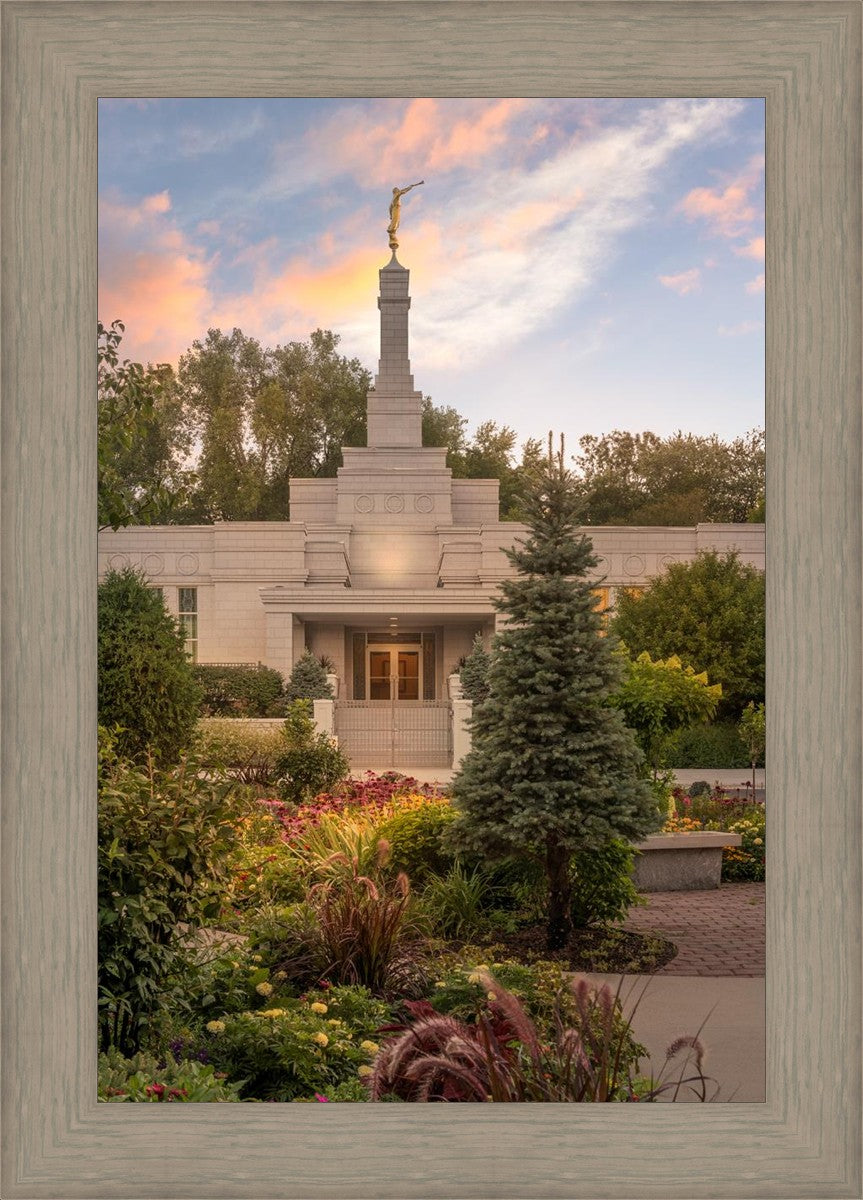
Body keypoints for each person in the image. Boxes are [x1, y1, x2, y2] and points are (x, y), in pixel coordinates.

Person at [387, 181, 424, 248]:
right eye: (397, 189)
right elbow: (404, 191)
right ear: (395, 191)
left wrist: (390, 215)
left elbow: (389, 208)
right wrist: (410, 187)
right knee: (395, 223)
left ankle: (392, 232)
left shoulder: (393, 199)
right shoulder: (397, 195)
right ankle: (391, 230)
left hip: (395, 211)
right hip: (396, 210)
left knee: (396, 223)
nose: (398, 190)